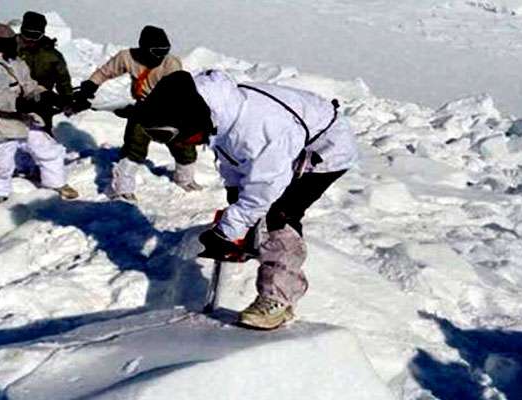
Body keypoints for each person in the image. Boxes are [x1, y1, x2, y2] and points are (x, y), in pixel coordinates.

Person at [133, 70, 359, 330]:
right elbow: (232, 157)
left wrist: (228, 230)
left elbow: (265, 186)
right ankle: (255, 245)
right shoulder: (216, 110)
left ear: (189, 120)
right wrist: (234, 195)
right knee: (249, 206)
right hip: (289, 139)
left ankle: (277, 300)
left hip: (327, 150)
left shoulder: (258, 129)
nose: (171, 142)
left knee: (280, 215)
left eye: (165, 135)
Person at [78, 25, 200, 201]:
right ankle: (122, 189)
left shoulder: (171, 63)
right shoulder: (127, 57)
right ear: (144, 48)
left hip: (170, 110)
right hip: (143, 110)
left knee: (184, 147)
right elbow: (105, 72)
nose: (161, 55)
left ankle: (185, 180)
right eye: (156, 50)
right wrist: (91, 84)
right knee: (134, 149)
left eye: (164, 50)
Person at [0, 22, 78, 202]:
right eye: (10, 42)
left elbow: (28, 85)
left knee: (48, 148)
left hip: (20, 118)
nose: (15, 44)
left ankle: (56, 182)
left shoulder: (15, 62)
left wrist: (45, 96)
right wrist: (26, 104)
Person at [17, 11, 75, 135]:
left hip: (42, 101)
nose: (30, 40)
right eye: (27, 34)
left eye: (35, 36)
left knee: (42, 135)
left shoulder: (52, 56)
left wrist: (67, 100)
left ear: (42, 34)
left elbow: (63, 80)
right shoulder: (10, 49)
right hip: (13, 99)